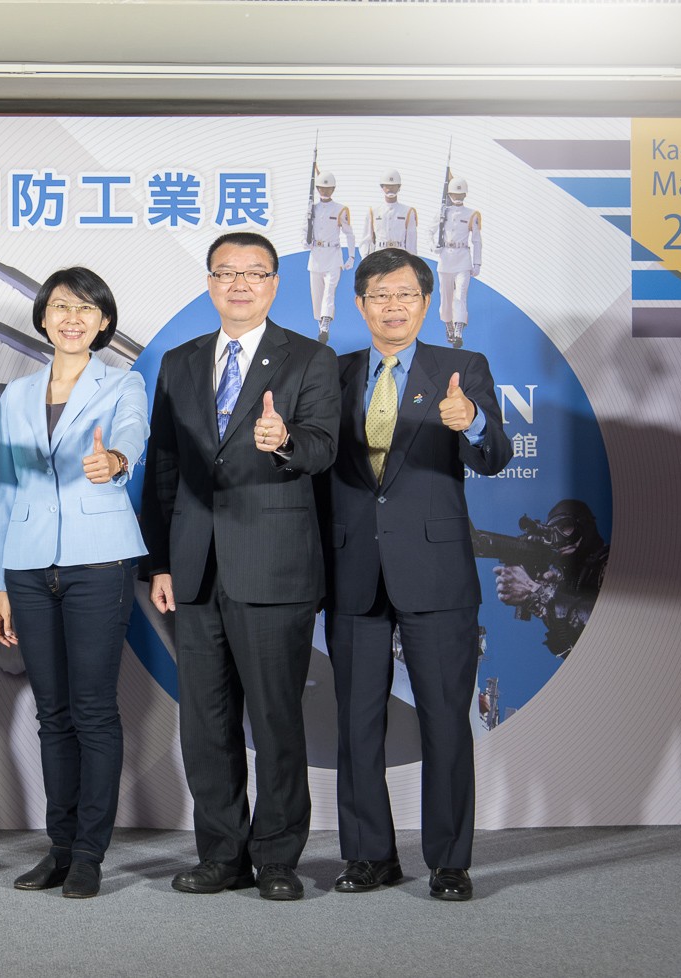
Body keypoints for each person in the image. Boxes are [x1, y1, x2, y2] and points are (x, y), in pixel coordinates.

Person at [140, 232, 340, 901]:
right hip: (195, 569)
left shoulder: (310, 358)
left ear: (275, 284)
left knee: (277, 720)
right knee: (206, 723)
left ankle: (277, 859)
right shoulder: (180, 361)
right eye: (226, 273)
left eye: (254, 273)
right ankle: (221, 854)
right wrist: (161, 561)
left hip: (274, 566)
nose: (240, 284)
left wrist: (284, 441)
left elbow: (324, 447)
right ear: (209, 283)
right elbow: (164, 466)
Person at [316, 247, 512, 902]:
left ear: (426, 303)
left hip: (435, 570)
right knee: (357, 722)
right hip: (352, 568)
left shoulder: (462, 369)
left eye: (405, 294)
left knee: (445, 722)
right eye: (378, 295)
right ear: (359, 304)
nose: (392, 306)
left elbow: (494, 455)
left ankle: (450, 862)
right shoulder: (333, 372)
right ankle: (369, 855)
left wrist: (472, 421)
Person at [0, 267, 149, 899]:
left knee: (93, 710)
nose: (71, 319)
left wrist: (115, 460)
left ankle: (89, 853)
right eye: (59, 307)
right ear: (43, 318)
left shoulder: (124, 383)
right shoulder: (19, 394)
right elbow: (3, 488)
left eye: (85, 309)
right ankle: (58, 847)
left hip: (99, 561)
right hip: (27, 566)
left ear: (103, 322)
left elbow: (131, 434)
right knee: (51, 712)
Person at [492, 499, 609, 659]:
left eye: (565, 527)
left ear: (585, 525)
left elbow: (609, 624)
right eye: (551, 532)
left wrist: (538, 593)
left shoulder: (613, 561)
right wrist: (541, 596)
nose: (559, 538)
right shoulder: (568, 578)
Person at [306, 171, 358, 343]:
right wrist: (305, 241)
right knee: (317, 296)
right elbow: (304, 229)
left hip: (333, 256)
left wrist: (351, 256)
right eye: (321, 188)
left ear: (333, 189)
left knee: (329, 292)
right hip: (316, 256)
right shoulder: (312, 209)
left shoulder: (340, 209)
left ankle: (326, 323)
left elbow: (349, 234)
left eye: (328, 188)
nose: (325, 191)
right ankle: (321, 323)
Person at [435, 176, 482, 348]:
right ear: (449, 194)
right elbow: (429, 231)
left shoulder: (471, 214)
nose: (457, 197)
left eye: (461, 194)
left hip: (463, 259)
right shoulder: (443, 213)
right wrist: (434, 246)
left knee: (460, 295)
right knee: (445, 297)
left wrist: (477, 263)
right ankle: (448, 324)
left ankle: (458, 329)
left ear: (465, 195)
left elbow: (477, 240)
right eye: (454, 194)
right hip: (446, 259)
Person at [363, 169, 417, 257]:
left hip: (400, 255)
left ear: (399, 187)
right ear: (382, 187)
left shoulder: (408, 211)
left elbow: (411, 241)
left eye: (394, 186)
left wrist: (412, 260)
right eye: (387, 185)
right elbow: (367, 239)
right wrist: (365, 258)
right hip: (380, 253)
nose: (390, 188)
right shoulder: (373, 211)